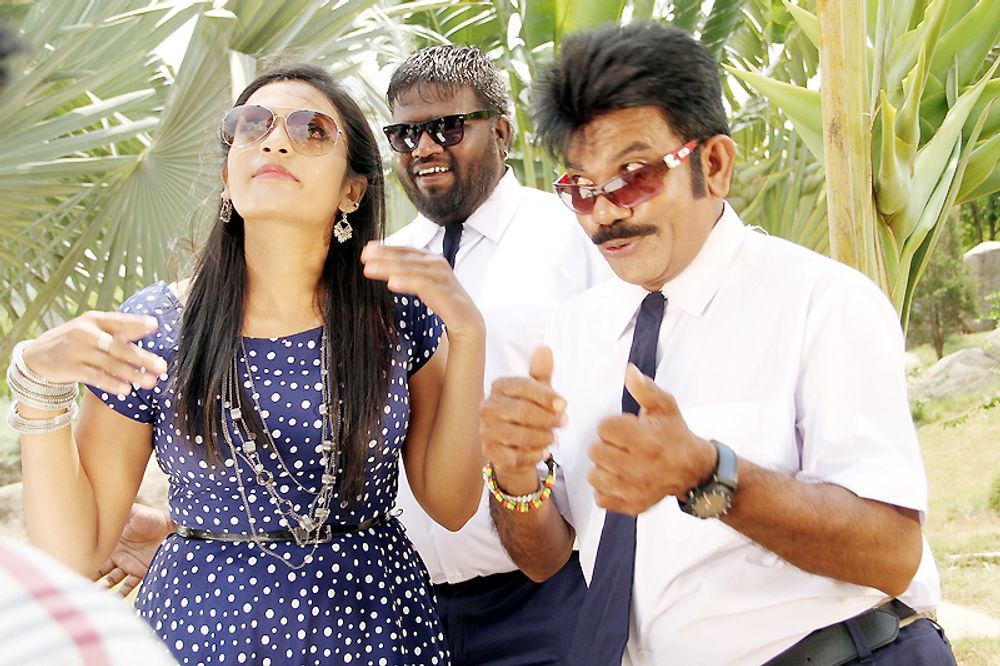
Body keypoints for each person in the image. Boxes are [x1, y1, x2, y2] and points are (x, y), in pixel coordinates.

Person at [479, 23, 956, 666]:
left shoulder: (822, 303)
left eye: (633, 175)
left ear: (715, 164)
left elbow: (892, 553)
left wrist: (709, 475)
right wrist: (514, 478)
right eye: (582, 188)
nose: (606, 212)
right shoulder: (573, 332)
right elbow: (546, 559)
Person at [10, 63, 486, 666]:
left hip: (377, 628)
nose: (275, 141)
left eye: (311, 129)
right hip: (203, 632)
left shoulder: (396, 316)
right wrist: (38, 385)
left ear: (352, 190)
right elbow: (74, 553)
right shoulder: (155, 327)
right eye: (252, 124)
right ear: (227, 173)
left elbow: (451, 505)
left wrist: (468, 334)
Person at [383, 45, 610, 665]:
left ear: (502, 132)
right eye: (404, 135)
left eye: (447, 128)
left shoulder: (573, 235)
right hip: (408, 608)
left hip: (550, 595)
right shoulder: (385, 264)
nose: (423, 148)